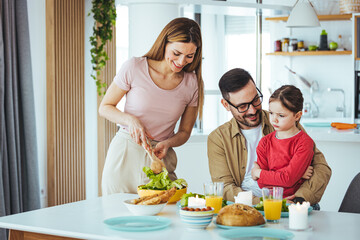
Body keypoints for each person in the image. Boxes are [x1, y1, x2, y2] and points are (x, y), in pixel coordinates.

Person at [99, 17, 204, 195]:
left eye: (189, 56)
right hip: (125, 154)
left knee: (164, 216)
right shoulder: (134, 67)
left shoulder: (192, 83)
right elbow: (105, 107)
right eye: (176, 53)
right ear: (164, 43)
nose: (181, 61)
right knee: (118, 215)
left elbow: (185, 132)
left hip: (160, 156)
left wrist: (167, 143)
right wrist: (130, 120)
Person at [207, 68, 331, 205]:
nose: (253, 110)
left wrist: (299, 198)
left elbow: (321, 168)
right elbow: (225, 187)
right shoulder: (218, 139)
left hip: (293, 203)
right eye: (242, 106)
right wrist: (267, 203)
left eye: (255, 100)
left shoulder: (285, 122)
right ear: (226, 105)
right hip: (248, 207)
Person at [251, 85, 314, 198]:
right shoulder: (264, 142)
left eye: (281, 115)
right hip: (270, 202)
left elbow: (288, 180)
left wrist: (259, 173)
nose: (274, 119)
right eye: (271, 113)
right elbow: (262, 184)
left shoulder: (304, 143)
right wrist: (297, 175)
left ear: (297, 115)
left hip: (296, 204)